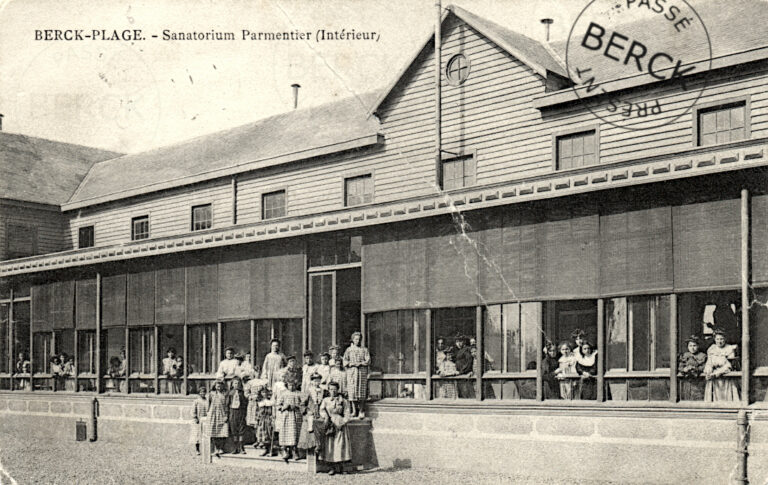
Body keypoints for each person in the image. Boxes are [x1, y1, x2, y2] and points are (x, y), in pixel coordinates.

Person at [319, 381, 353, 475]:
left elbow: (347, 412)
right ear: (328, 390)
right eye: (331, 389)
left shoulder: (343, 401)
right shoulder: (325, 400)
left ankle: (342, 467)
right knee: (330, 445)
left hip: (340, 424)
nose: (333, 391)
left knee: (341, 445)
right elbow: (322, 410)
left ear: (338, 390)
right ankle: (332, 467)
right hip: (330, 423)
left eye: (335, 389)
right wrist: (326, 417)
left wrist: (342, 422)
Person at [704, 329, 740, 402]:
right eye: (717, 339)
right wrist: (708, 370)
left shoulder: (730, 348)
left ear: (725, 339)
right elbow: (709, 362)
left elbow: (729, 365)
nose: (719, 341)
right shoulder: (712, 349)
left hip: (726, 377)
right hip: (713, 379)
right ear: (714, 339)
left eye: (721, 339)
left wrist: (716, 374)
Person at [276, 373, 303, 462]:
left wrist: (296, 406)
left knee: (295, 433)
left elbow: (303, 405)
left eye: (293, 385)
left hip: (295, 416)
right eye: (289, 385)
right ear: (287, 385)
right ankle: (285, 451)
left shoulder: (298, 394)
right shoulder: (283, 394)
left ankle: (295, 451)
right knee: (285, 433)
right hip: (286, 416)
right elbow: (278, 405)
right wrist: (284, 407)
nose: (291, 387)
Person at [298, 372, 325, 458]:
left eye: (318, 381)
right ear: (312, 382)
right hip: (311, 414)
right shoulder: (308, 391)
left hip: (320, 414)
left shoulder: (323, 391)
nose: (317, 382)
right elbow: (302, 404)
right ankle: (312, 451)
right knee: (310, 431)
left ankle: (320, 450)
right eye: (315, 381)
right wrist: (306, 411)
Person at [343, 332, 370, 418]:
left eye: (359, 339)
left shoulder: (364, 349)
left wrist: (361, 363)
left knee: (361, 392)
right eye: (356, 339)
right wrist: (351, 364)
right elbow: (345, 360)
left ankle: (361, 411)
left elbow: (368, 360)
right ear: (353, 340)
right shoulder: (349, 350)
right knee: (352, 392)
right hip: (352, 372)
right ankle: (354, 411)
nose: (357, 341)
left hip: (361, 372)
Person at [678, 335, 707, 400]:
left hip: (698, 381)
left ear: (698, 346)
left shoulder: (702, 356)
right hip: (687, 381)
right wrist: (684, 369)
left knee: (698, 397)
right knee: (687, 397)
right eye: (690, 346)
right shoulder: (685, 355)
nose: (692, 348)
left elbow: (704, 367)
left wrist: (695, 369)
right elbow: (680, 366)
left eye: (694, 346)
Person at [206, 379, 229, 457]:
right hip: (213, 415)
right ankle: (216, 448)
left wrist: (226, 415)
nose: (218, 387)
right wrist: (208, 413)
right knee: (214, 431)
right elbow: (208, 405)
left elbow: (226, 405)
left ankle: (221, 448)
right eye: (217, 385)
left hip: (222, 414)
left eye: (220, 385)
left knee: (223, 431)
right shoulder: (211, 394)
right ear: (215, 386)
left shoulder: (224, 394)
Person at [228, 376, 247, 454]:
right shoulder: (230, 393)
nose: (236, 385)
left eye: (238, 383)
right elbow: (227, 404)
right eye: (235, 383)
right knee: (234, 429)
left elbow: (245, 403)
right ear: (232, 384)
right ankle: (235, 447)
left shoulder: (242, 393)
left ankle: (241, 447)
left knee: (241, 429)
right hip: (233, 411)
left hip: (240, 412)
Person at [190, 386, 208, 455]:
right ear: (199, 393)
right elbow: (193, 411)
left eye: (204, 392)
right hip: (198, 420)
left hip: (205, 419)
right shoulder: (196, 401)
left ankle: (205, 449)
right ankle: (197, 450)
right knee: (197, 435)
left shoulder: (207, 400)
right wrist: (195, 417)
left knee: (205, 434)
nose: (202, 393)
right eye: (201, 392)